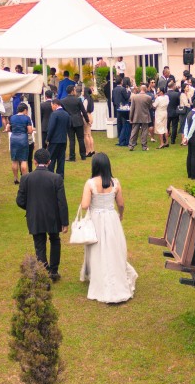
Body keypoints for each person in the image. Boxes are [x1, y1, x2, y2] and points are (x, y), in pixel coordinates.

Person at [79, 153, 137, 304]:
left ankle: (98, 278)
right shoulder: (115, 182)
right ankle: (116, 277)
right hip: (111, 218)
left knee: (97, 248)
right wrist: (121, 215)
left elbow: (85, 205)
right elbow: (121, 203)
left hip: (96, 220)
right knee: (113, 248)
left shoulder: (90, 183)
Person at [17, 148, 69, 282]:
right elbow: (62, 202)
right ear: (49, 162)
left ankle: (44, 272)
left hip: (35, 216)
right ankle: (53, 271)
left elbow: (20, 201)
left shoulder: (26, 178)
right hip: (53, 216)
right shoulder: (56, 178)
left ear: (34, 162)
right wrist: (65, 222)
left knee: (39, 244)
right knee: (55, 240)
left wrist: (31, 208)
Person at [60, 86, 90, 161]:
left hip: (69, 121)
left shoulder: (63, 101)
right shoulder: (78, 100)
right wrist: (87, 120)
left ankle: (72, 156)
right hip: (78, 121)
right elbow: (83, 111)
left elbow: (62, 112)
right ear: (72, 91)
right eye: (75, 90)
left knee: (72, 140)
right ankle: (83, 155)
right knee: (81, 139)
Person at [9, 103, 33, 184]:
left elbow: (9, 128)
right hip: (23, 139)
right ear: (25, 110)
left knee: (14, 160)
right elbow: (29, 131)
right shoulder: (27, 118)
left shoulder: (12, 117)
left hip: (13, 139)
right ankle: (24, 179)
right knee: (23, 159)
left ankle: (15, 178)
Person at [45, 98, 70, 177]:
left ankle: (50, 174)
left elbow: (51, 127)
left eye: (52, 106)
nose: (52, 108)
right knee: (61, 158)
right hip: (63, 139)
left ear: (55, 105)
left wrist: (48, 139)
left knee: (51, 157)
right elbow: (69, 126)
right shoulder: (66, 114)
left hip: (54, 140)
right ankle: (60, 175)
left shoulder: (54, 114)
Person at [128, 85, 153, 151]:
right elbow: (151, 107)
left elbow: (132, 108)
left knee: (134, 131)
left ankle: (131, 146)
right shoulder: (149, 97)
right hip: (145, 116)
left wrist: (131, 118)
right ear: (146, 89)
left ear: (140, 89)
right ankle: (144, 146)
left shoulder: (134, 97)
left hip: (136, 116)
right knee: (144, 132)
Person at [112, 78, 132, 147]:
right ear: (121, 82)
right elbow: (126, 97)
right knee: (125, 124)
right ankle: (124, 139)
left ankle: (120, 138)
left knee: (119, 123)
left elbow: (113, 100)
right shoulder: (123, 89)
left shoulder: (114, 89)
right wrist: (129, 92)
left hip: (117, 108)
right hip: (123, 108)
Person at [82, 86, 97, 157]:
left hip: (86, 116)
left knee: (86, 134)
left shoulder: (85, 100)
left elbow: (84, 111)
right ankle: (92, 149)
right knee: (89, 134)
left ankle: (88, 151)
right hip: (90, 115)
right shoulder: (91, 99)